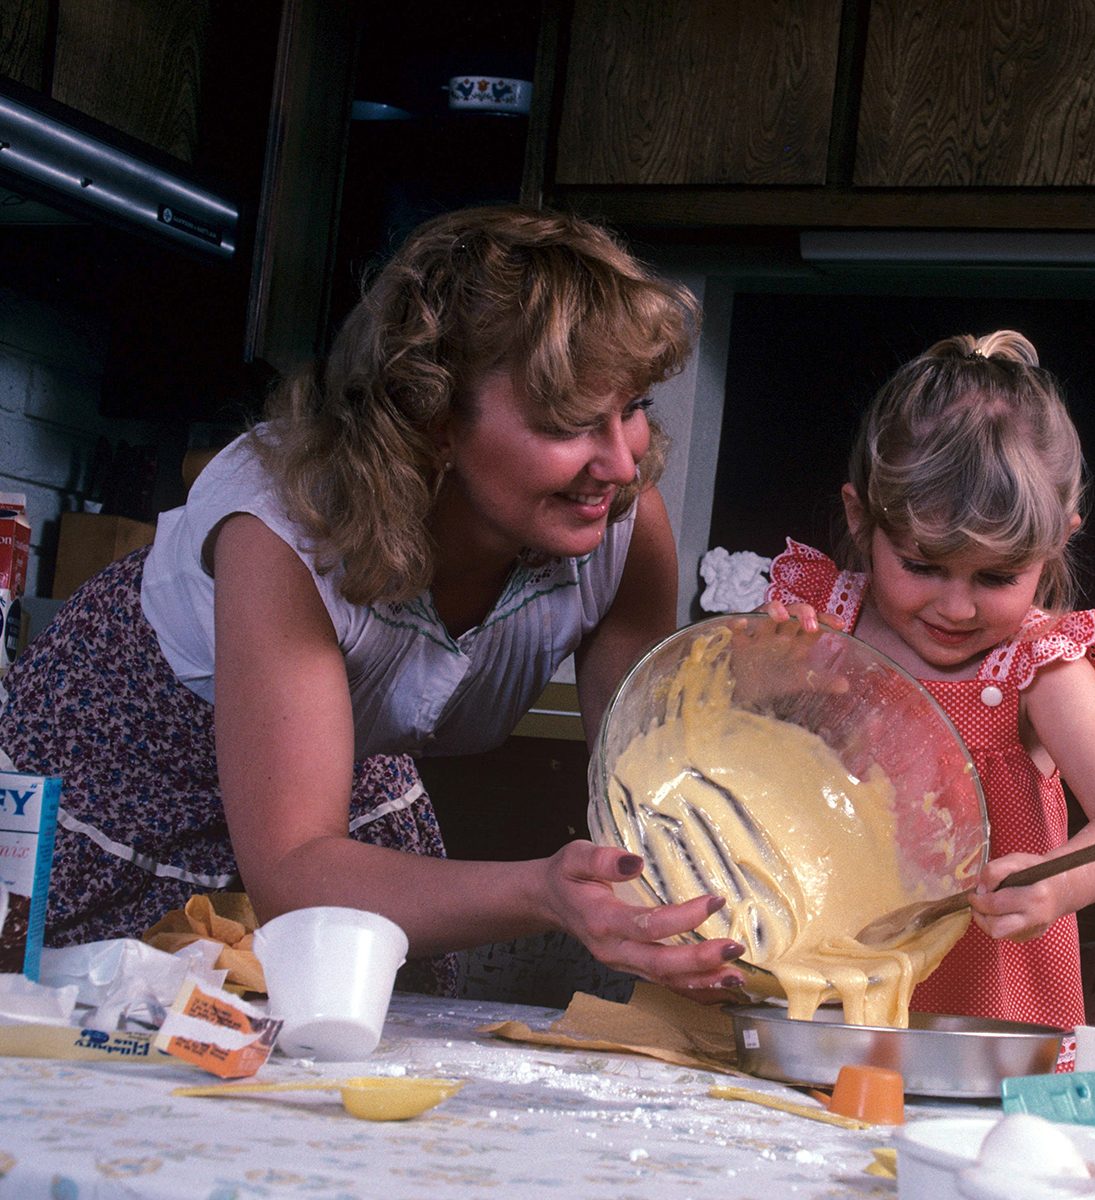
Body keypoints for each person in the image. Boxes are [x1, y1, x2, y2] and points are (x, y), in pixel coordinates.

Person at [0, 204, 750, 997]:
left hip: (329, 773)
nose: (621, 464)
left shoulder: (623, 526)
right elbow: (294, 872)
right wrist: (541, 891)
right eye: (568, 423)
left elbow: (653, 800)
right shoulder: (282, 527)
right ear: (431, 420)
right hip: (124, 768)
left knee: (369, 1032)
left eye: (630, 409)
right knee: (115, 1044)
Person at [763, 329, 1095, 1029]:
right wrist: (768, 672)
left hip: (987, 1019)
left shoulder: (1037, 666)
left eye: (996, 577)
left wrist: (1056, 885)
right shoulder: (824, 628)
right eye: (921, 566)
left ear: (1055, 544)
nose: (955, 607)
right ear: (862, 519)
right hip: (823, 997)